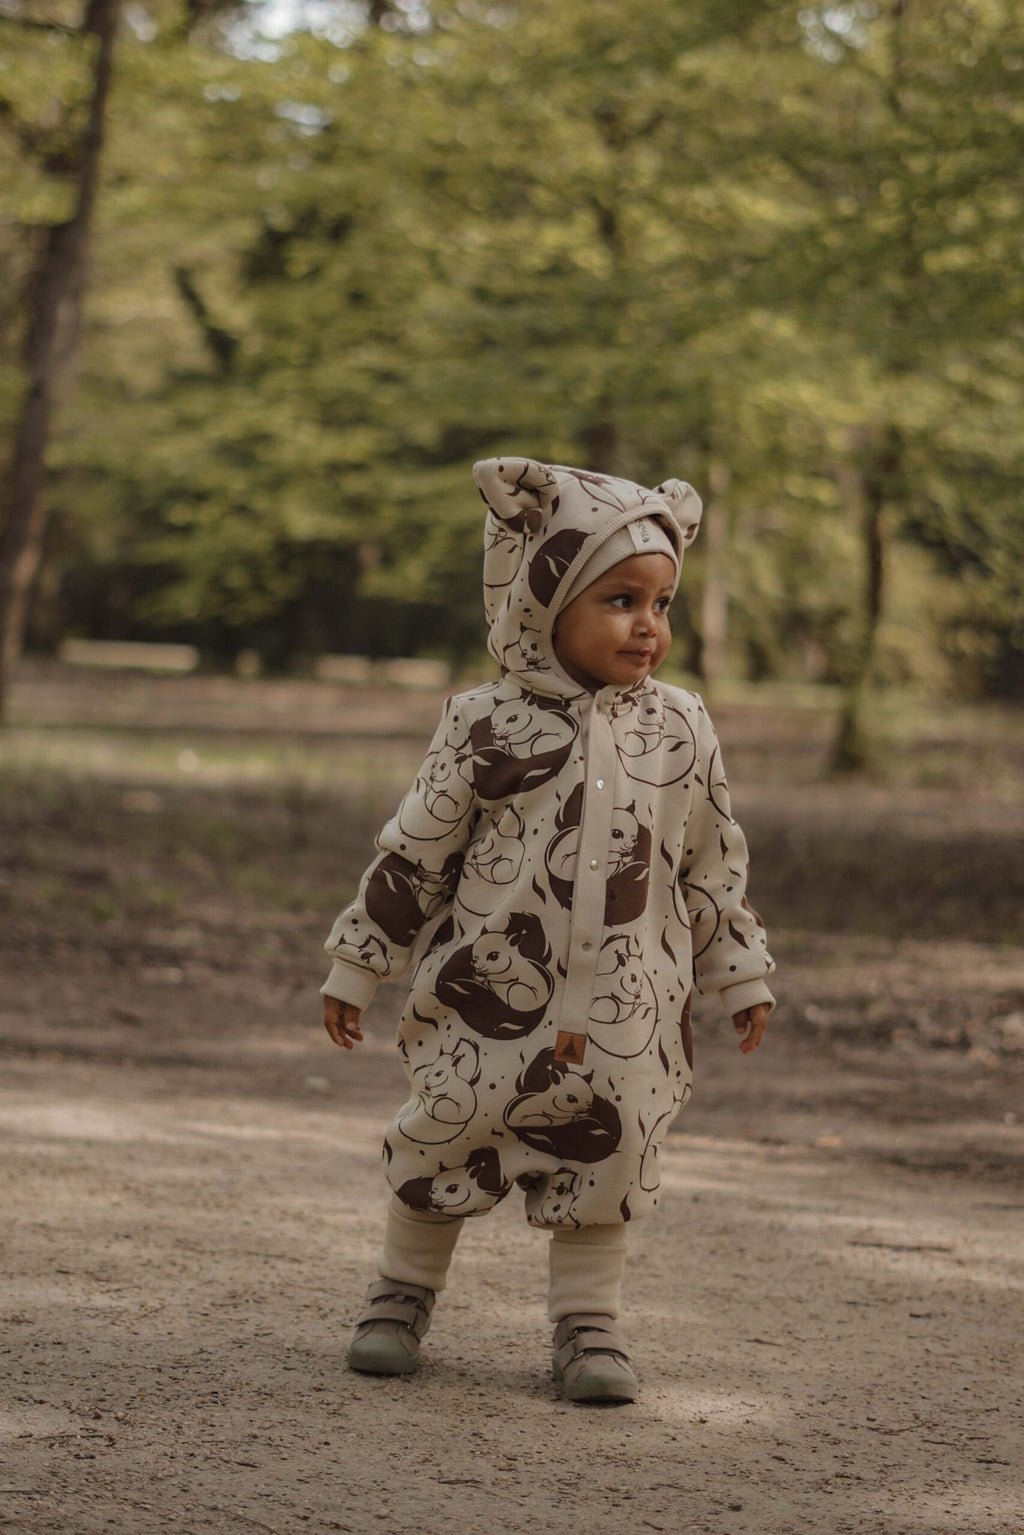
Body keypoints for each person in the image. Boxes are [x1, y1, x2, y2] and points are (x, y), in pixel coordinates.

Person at [322, 456, 774, 1404]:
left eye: (661, 602)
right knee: (442, 1134)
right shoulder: (484, 722)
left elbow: (709, 862)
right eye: (619, 599)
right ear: (541, 599)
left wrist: (738, 971)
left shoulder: (683, 728)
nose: (648, 624)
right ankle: (400, 1294)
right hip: (480, 1001)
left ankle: (588, 1324)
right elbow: (419, 852)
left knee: (613, 1154)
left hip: (628, 1012)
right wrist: (360, 960)